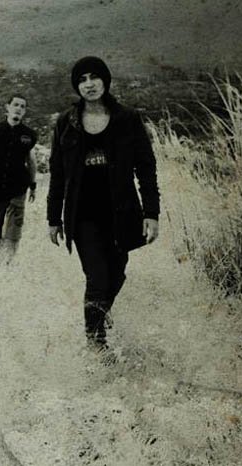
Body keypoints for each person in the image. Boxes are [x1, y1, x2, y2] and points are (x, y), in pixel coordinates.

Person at [46, 56, 160, 350]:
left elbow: (146, 167)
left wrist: (152, 213)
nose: (89, 84)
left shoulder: (127, 119)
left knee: (117, 274)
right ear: (77, 87)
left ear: (105, 80)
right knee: (96, 277)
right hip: (83, 215)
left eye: (94, 77)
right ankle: (96, 343)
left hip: (121, 212)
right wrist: (53, 218)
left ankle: (99, 316)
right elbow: (58, 174)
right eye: (82, 80)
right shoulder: (66, 123)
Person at [0, 94, 38, 262]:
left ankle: (8, 265)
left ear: (25, 111)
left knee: (13, 232)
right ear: (7, 107)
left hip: (18, 189)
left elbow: (31, 162)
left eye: (22, 106)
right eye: (16, 104)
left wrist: (33, 185)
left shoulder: (29, 135)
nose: (19, 108)